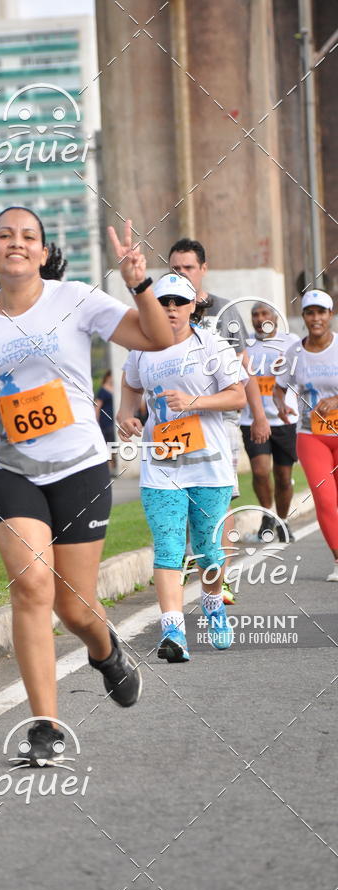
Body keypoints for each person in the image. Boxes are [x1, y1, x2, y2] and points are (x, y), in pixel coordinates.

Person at [0, 207, 174, 763]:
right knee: (31, 585)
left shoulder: (76, 299)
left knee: (76, 608)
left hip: (79, 465)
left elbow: (155, 337)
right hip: (10, 470)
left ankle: (106, 654)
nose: (16, 243)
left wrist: (139, 283)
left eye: (27, 236)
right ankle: (45, 725)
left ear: (41, 251)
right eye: (4, 236)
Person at [117, 272, 248, 663]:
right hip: (162, 466)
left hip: (209, 467)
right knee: (170, 546)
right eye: (164, 303)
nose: (171, 309)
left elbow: (237, 395)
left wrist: (193, 402)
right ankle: (173, 631)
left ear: (194, 306)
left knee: (208, 550)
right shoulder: (141, 348)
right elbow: (129, 386)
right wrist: (126, 415)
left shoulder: (212, 345)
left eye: (178, 302)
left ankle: (212, 605)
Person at [169, 238, 270, 603]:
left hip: (220, 419)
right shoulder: (162, 309)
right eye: (175, 268)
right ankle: (177, 567)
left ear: (203, 269)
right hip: (173, 422)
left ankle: (219, 577)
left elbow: (244, 373)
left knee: (220, 501)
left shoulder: (225, 311)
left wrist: (258, 416)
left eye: (188, 268)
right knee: (174, 498)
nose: (182, 274)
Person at [274, 289, 338, 581]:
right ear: (304, 317)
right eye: (310, 313)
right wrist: (280, 407)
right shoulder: (294, 353)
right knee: (325, 499)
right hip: (311, 435)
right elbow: (279, 387)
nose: (316, 318)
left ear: (330, 315)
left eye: (321, 312)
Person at [240, 301, 299, 542]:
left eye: (264, 313)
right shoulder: (246, 346)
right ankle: (267, 513)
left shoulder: (291, 342)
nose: (259, 318)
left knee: (283, 476)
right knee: (260, 470)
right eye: (255, 314)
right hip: (252, 419)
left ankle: (282, 520)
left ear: (274, 317)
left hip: (285, 420)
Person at [94, 370, 116, 471]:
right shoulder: (103, 390)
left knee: (114, 443)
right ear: (107, 377)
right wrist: (96, 420)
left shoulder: (116, 389)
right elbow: (97, 406)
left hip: (114, 421)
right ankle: (109, 465)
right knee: (108, 443)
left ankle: (114, 463)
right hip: (105, 421)